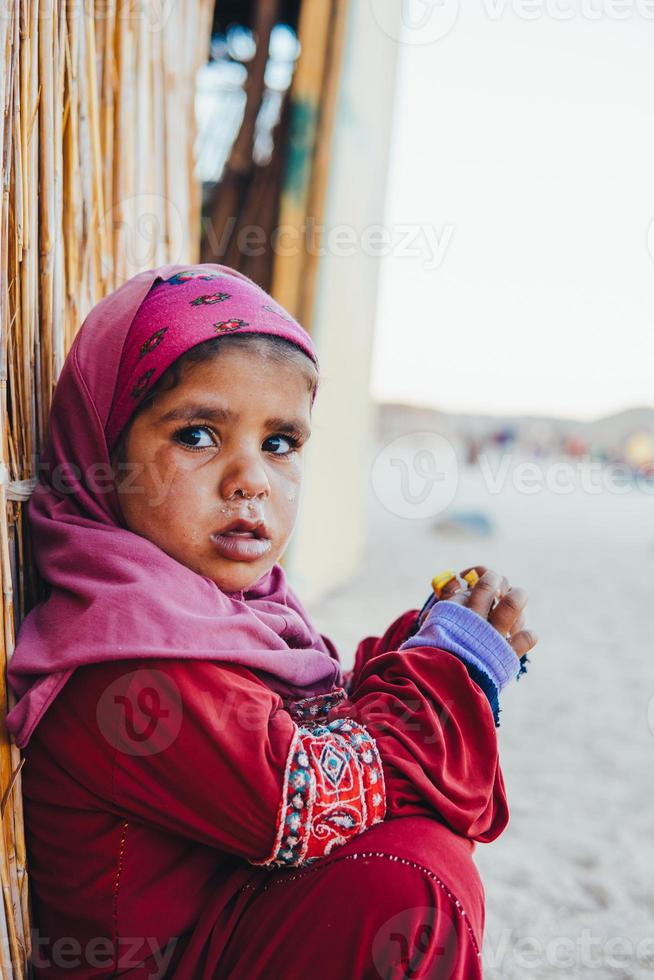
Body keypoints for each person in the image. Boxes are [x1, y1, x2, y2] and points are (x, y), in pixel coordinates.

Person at [5, 263, 537, 979]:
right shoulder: (123, 664)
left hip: (232, 937)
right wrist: (448, 669)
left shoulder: (251, 619)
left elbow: (343, 730)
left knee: (416, 851)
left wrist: (420, 646)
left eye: (281, 443)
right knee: (399, 881)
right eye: (197, 435)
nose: (249, 478)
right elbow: (321, 797)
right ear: (102, 454)